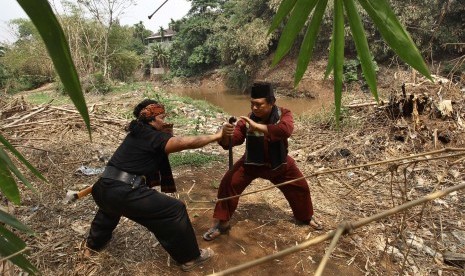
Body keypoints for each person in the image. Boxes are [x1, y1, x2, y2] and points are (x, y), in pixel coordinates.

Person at [84, 99, 231, 271]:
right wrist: (217, 136)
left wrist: (166, 135)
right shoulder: (154, 136)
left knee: (110, 209)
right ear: (151, 119)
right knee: (174, 210)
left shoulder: (137, 133)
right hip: (124, 192)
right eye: (161, 117)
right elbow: (185, 143)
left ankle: (92, 246)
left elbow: (156, 152)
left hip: (102, 189)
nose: (164, 120)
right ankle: (191, 258)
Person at [203, 82, 322, 241]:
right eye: (252, 104)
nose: (254, 108)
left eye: (259, 105)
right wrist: (225, 134)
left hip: (278, 164)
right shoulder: (246, 120)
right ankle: (222, 223)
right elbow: (235, 139)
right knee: (228, 183)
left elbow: (285, 130)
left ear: (271, 102)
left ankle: (305, 217)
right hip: (250, 164)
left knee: (300, 187)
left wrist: (257, 127)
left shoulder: (284, 114)